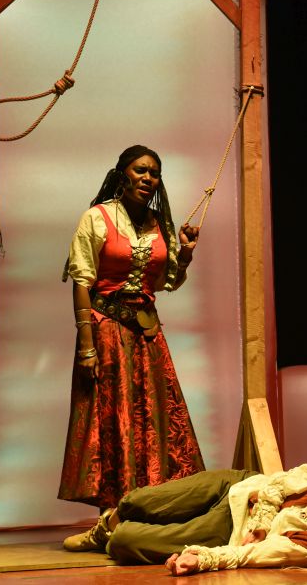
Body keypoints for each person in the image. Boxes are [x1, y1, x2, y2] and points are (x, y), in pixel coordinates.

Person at [58, 145, 205, 529]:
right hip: (106, 332)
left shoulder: (160, 224)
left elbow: (166, 283)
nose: (148, 178)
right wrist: (86, 346)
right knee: (112, 420)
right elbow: (81, 281)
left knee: (151, 420)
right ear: (122, 174)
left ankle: (149, 508)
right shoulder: (98, 217)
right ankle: (112, 512)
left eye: (154, 173)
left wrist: (185, 255)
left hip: (147, 336)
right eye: (140, 170)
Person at [63, 463, 307, 574]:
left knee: (126, 542)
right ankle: (104, 526)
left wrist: (200, 559)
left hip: (227, 528)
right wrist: (263, 520)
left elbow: (246, 555)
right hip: (240, 486)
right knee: (136, 502)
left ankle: (110, 535)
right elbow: (283, 480)